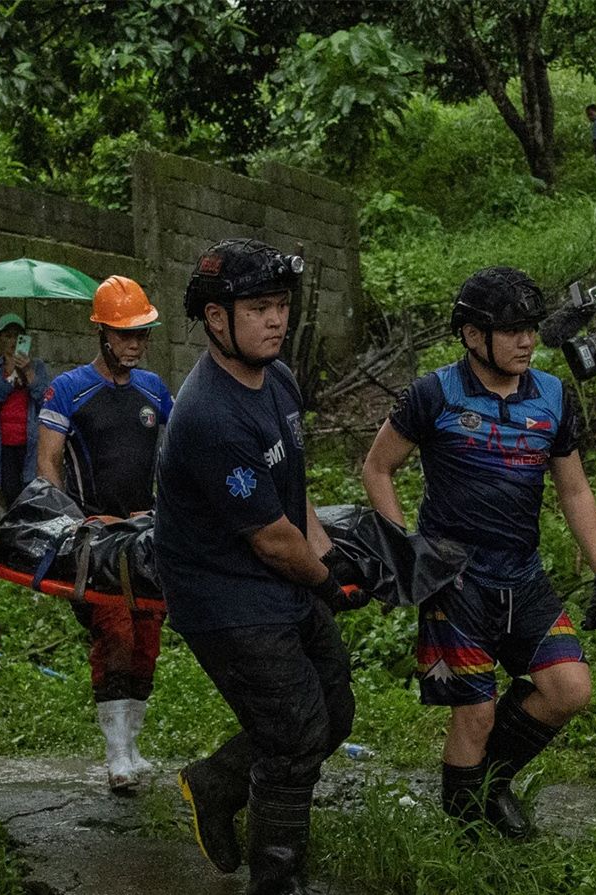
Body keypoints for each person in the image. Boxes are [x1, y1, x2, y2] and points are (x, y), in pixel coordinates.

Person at [360, 266, 596, 839]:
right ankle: (467, 829)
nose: (528, 341)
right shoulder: (433, 393)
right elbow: (378, 468)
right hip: (455, 580)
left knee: (570, 688)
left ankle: (487, 786)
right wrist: (403, 551)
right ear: (474, 335)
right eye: (512, 331)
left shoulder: (552, 395)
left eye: (531, 328)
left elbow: (574, 490)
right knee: (474, 713)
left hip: (523, 576)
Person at [159, 238, 361, 895]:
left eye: (281, 305)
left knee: (334, 707)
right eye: (258, 309)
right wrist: (328, 583)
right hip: (223, 597)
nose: (276, 320)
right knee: (295, 733)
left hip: (277, 579)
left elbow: (291, 499)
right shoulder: (209, 415)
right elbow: (273, 539)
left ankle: (215, 784)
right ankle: (276, 880)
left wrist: (329, 557)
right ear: (216, 318)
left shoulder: (278, 379)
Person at [35, 275, 175, 792]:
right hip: (95, 537)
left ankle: (133, 747)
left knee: (147, 640)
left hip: (147, 534)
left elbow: (181, 452)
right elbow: (47, 462)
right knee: (114, 635)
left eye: (142, 334)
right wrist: (68, 527)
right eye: (125, 334)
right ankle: (116, 754)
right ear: (102, 333)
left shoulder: (154, 390)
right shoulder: (68, 389)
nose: (135, 344)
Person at [0, 312, 52, 509]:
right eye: (8, 336)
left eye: (17, 336)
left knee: (32, 491)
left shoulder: (37, 366)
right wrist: (10, 380)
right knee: (9, 491)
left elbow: (46, 399)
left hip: (30, 440)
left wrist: (28, 373)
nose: (12, 341)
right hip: (3, 442)